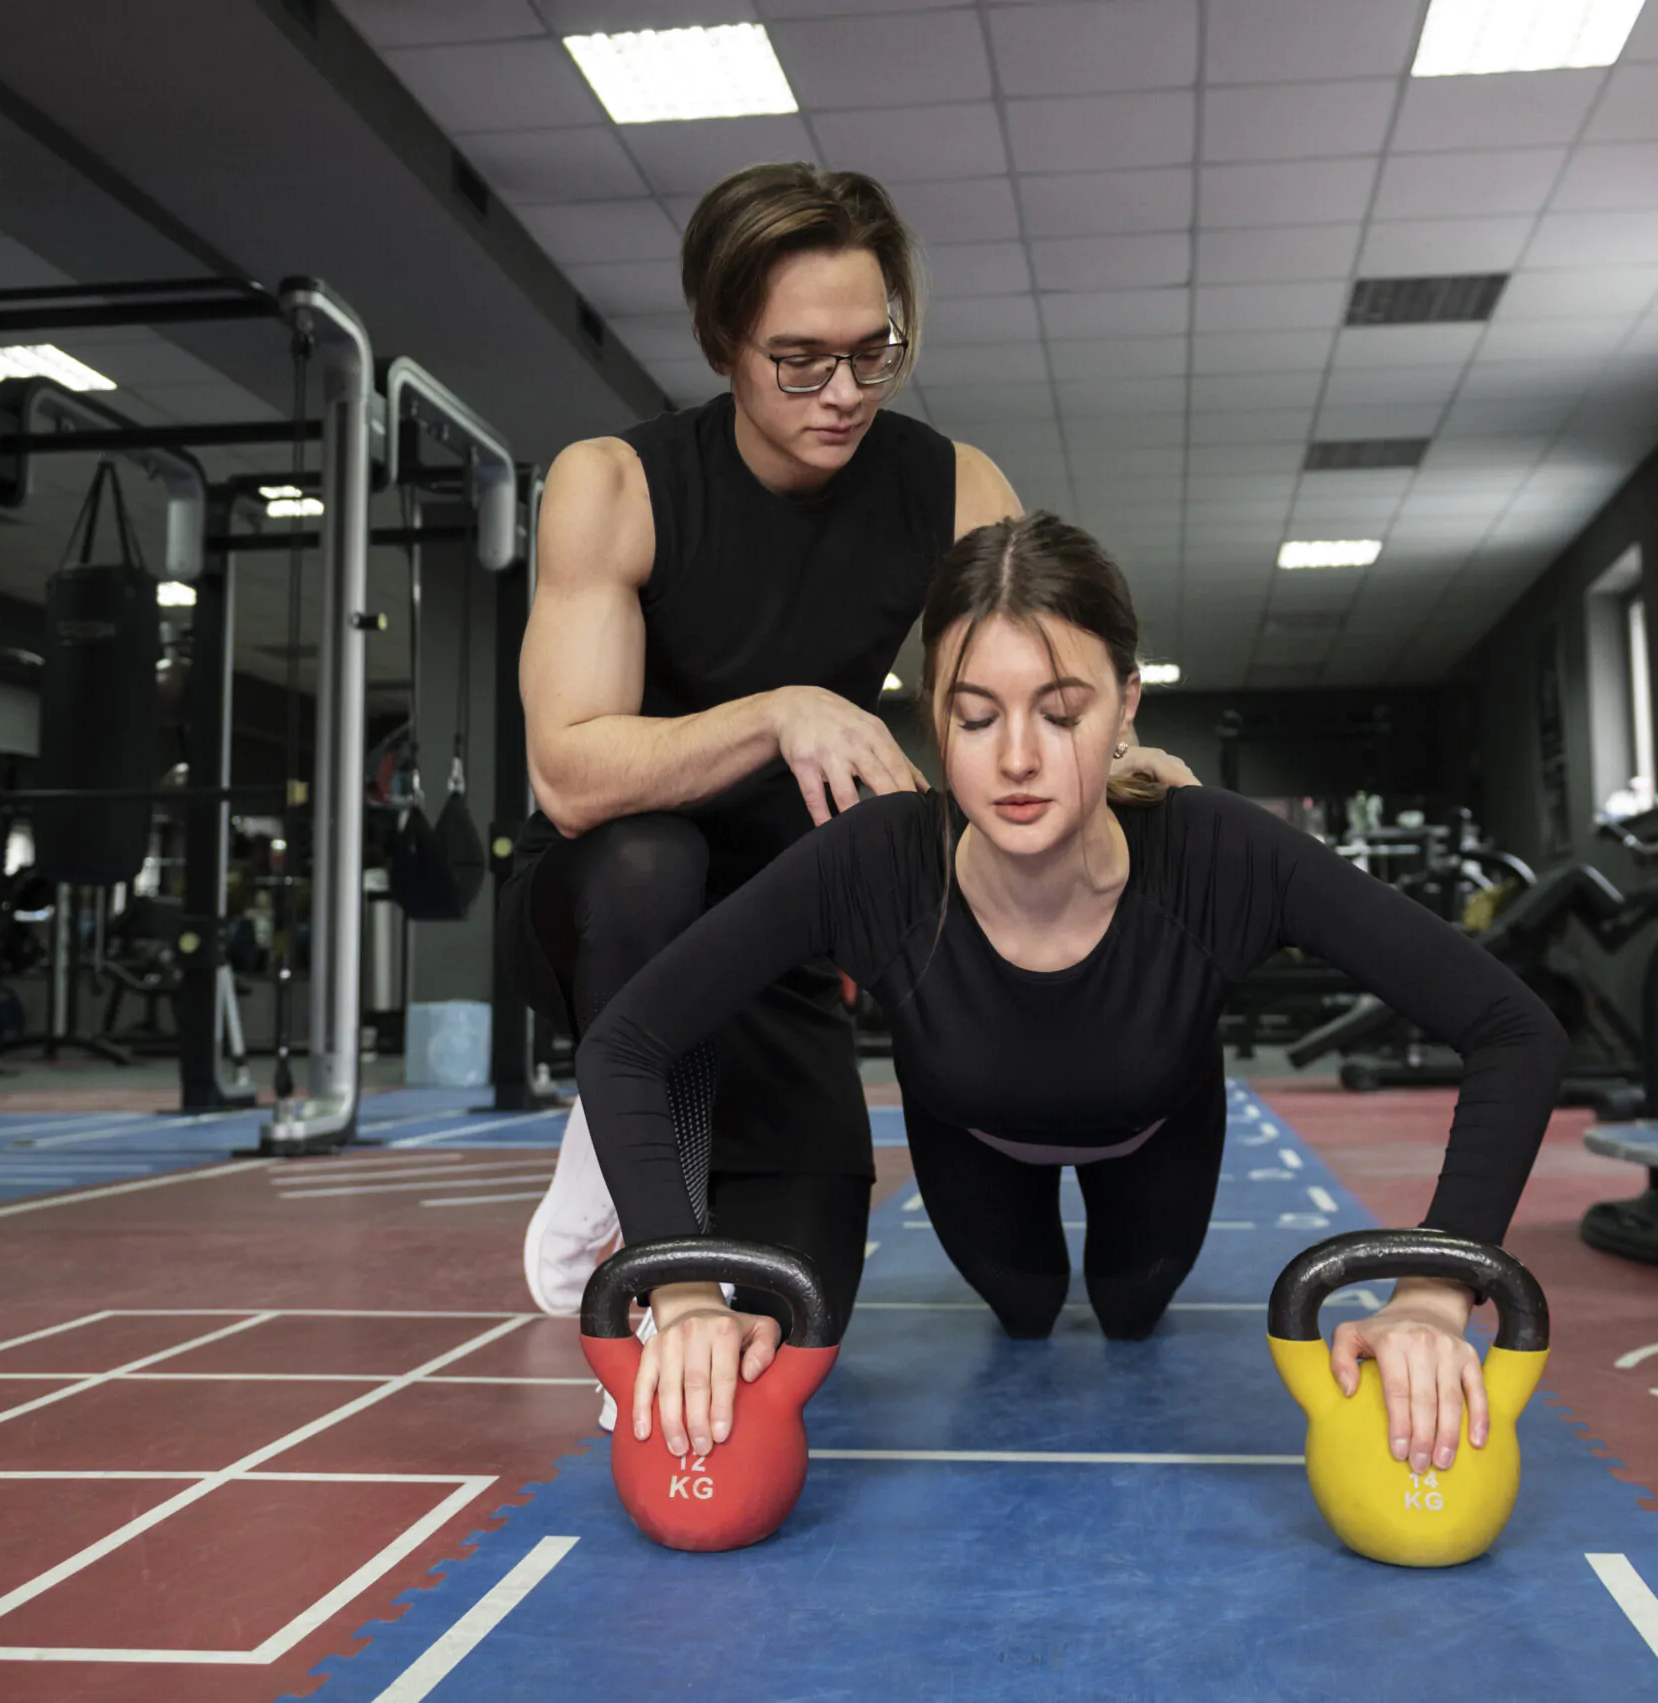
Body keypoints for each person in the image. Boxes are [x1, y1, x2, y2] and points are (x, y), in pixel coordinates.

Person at [574, 511, 1570, 1481]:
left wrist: (1436, 1289)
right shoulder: (870, 864)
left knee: (1132, 1313)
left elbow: (1512, 1027)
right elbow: (626, 1043)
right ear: (932, 715)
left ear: (1127, 702)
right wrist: (687, 1284)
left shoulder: (1217, 853)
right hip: (970, 1139)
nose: (1016, 756)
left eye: (1061, 711)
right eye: (975, 715)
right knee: (1026, 1307)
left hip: (1157, 1133)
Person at [504, 161, 1186, 1337]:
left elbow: (1034, 679)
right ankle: (637, 1160)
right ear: (724, 340)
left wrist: (1125, 757)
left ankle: (689, 1134)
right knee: (649, 861)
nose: (845, 390)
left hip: (787, 931)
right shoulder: (612, 484)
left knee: (804, 1305)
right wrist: (779, 710)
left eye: (875, 351)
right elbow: (566, 778)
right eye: (801, 359)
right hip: (610, 915)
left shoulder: (951, 482)